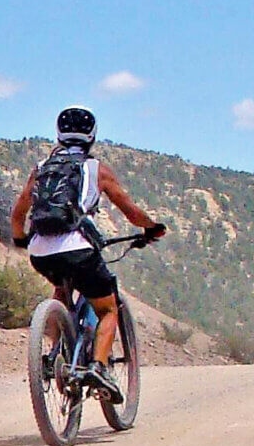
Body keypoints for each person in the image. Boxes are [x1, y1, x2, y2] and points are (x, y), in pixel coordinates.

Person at [10, 105, 165, 403]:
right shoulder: (97, 169)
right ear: (91, 136)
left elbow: (18, 213)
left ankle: (57, 353)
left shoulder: (41, 168)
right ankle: (98, 366)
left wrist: (21, 239)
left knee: (61, 288)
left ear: (59, 134)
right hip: (79, 248)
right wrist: (151, 228)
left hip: (40, 250)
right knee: (107, 308)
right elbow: (130, 210)